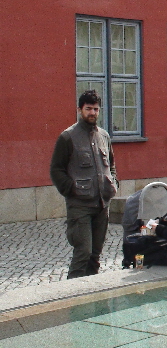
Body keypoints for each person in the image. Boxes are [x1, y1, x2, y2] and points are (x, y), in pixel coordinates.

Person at [50, 90, 118, 279]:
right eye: (88, 109)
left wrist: (113, 184)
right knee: (83, 252)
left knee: (95, 255)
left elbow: (111, 164)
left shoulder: (104, 136)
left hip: (102, 204)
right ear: (80, 110)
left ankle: (91, 292)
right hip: (80, 206)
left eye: (95, 109)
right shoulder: (67, 137)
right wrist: (71, 189)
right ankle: (72, 294)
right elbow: (56, 170)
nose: (92, 113)